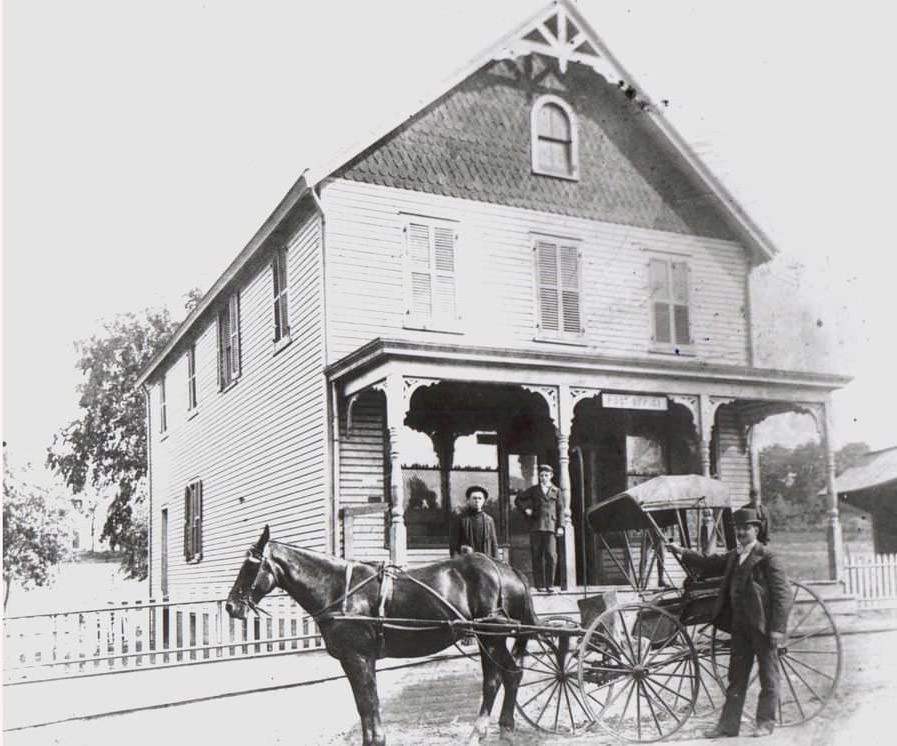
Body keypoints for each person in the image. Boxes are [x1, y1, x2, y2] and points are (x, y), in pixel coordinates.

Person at [667, 507, 791, 738]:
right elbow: (709, 562)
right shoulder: (735, 555)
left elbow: (784, 595)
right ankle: (728, 726)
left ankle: (765, 723)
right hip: (740, 627)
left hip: (763, 627)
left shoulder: (767, 557)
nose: (742, 533)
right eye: (738, 529)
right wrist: (682, 551)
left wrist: (777, 629)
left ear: (756, 529)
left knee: (769, 676)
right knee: (736, 677)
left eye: (746, 528)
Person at [514, 464, 564, 593]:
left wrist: (560, 526)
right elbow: (518, 499)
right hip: (536, 527)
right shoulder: (534, 490)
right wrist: (526, 510)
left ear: (551, 476)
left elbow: (560, 510)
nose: (544, 478)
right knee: (537, 555)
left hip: (551, 528)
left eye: (546, 475)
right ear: (539, 476)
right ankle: (539, 585)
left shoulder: (556, 491)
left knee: (551, 556)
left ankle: (550, 584)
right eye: (541, 475)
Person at [450, 485, 500, 560]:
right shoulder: (461, 519)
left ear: (484, 501)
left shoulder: (489, 520)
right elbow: (454, 544)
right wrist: (458, 557)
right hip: (466, 562)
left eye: (480, 498)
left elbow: (494, 544)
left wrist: (497, 561)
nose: (477, 501)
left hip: (485, 561)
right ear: (468, 500)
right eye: (474, 498)